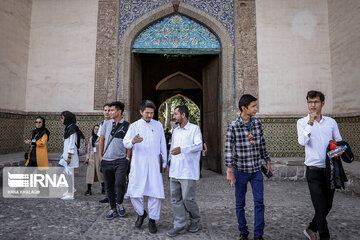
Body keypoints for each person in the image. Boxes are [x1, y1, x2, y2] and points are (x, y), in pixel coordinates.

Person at [225, 94, 273, 240]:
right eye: (253, 106)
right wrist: (230, 171)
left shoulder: (257, 123)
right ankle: (243, 231)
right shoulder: (233, 126)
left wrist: (267, 160)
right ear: (244, 108)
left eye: (255, 106)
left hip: (256, 170)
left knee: (259, 202)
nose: (256, 109)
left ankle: (258, 235)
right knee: (240, 203)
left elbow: (262, 143)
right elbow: (228, 149)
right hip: (240, 171)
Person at [297, 90, 342, 240]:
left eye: (316, 102)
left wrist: (338, 150)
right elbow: (302, 142)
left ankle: (311, 228)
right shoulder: (302, 122)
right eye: (310, 102)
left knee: (327, 206)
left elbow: (339, 142)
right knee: (319, 206)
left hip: (330, 169)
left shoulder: (331, 122)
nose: (313, 105)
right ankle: (324, 237)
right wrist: (310, 123)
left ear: (322, 103)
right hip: (313, 170)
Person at [123, 100, 167, 234]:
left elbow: (162, 144)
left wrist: (164, 162)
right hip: (139, 164)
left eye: (152, 113)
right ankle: (141, 213)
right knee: (134, 191)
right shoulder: (134, 126)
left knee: (155, 193)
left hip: (154, 164)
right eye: (147, 113)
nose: (149, 115)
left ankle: (153, 220)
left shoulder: (158, 125)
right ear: (141, 112)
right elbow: (125, 142)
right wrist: (133, 141)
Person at [166, 105, 203, 237]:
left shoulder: (194, 129)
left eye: (176, 114)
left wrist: (183, 149)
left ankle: (195, 220)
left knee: (188, 198)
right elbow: (172, 150)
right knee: (175, 199)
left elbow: (198, 146)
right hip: (175, 170)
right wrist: (168, 163)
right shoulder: (175, 131)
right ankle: (179, 224)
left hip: (188, 170)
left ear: (183, 115)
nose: (174, 116)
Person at [99, 101, 131, 220]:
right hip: (106, 160)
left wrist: (127, 158)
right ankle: (113, 208)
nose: (109, 112)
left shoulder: (128, 126)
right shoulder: (106, 124)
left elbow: (129, 143)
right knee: (109, 186)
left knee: (120, 183)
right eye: (109, 110)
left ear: (119, 112)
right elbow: (101, 140)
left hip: (121, 160)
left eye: (112, 110)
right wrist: (101, 158)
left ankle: (120, 203)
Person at [59, 111, 85, 200]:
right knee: (62, 172)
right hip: (65, 155)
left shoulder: (72, 129)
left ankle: (70, 193)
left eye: (62, 117)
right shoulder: (68, 128)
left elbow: (71, 144)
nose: (61, 119)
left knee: (68, 174)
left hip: (70, 156)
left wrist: (69, 156)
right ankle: (70, 189)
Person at [84, 125, 104, 195]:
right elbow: (89, 149)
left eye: (98, 129)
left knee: (101, 174)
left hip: (98, 158)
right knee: (89, 175)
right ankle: (89, 190)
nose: (96, 130)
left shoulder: (101, 138)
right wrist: (87, 158)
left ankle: (103, 188)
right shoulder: (91, 138)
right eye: (95, 129)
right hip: (92, 159)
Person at [99, 103, 111, 203]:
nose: (107, 112)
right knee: (106, 177)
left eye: (109, 110)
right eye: (105, 110)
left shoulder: (114, 123)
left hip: (113, 154)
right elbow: (100, 140)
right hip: (104, 155)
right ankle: (108, 196)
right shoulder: (102, 124)